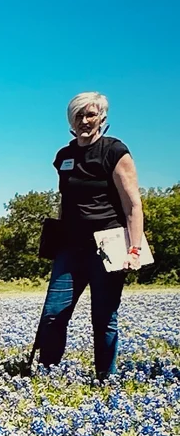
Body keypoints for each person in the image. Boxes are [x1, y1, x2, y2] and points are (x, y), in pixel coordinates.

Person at [34, 92, 143, 379]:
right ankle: (49, 374)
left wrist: (134, 250)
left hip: (109, 244)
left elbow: (132, 205)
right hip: (70, 246)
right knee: (53, 314)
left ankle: (105, 377)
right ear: (71, 119)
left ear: (102, 118)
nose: (84, 120)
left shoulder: (114, 151)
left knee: (104, 317)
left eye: (90, 115)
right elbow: (66, 200)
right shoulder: (64, 156)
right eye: (78, 115)